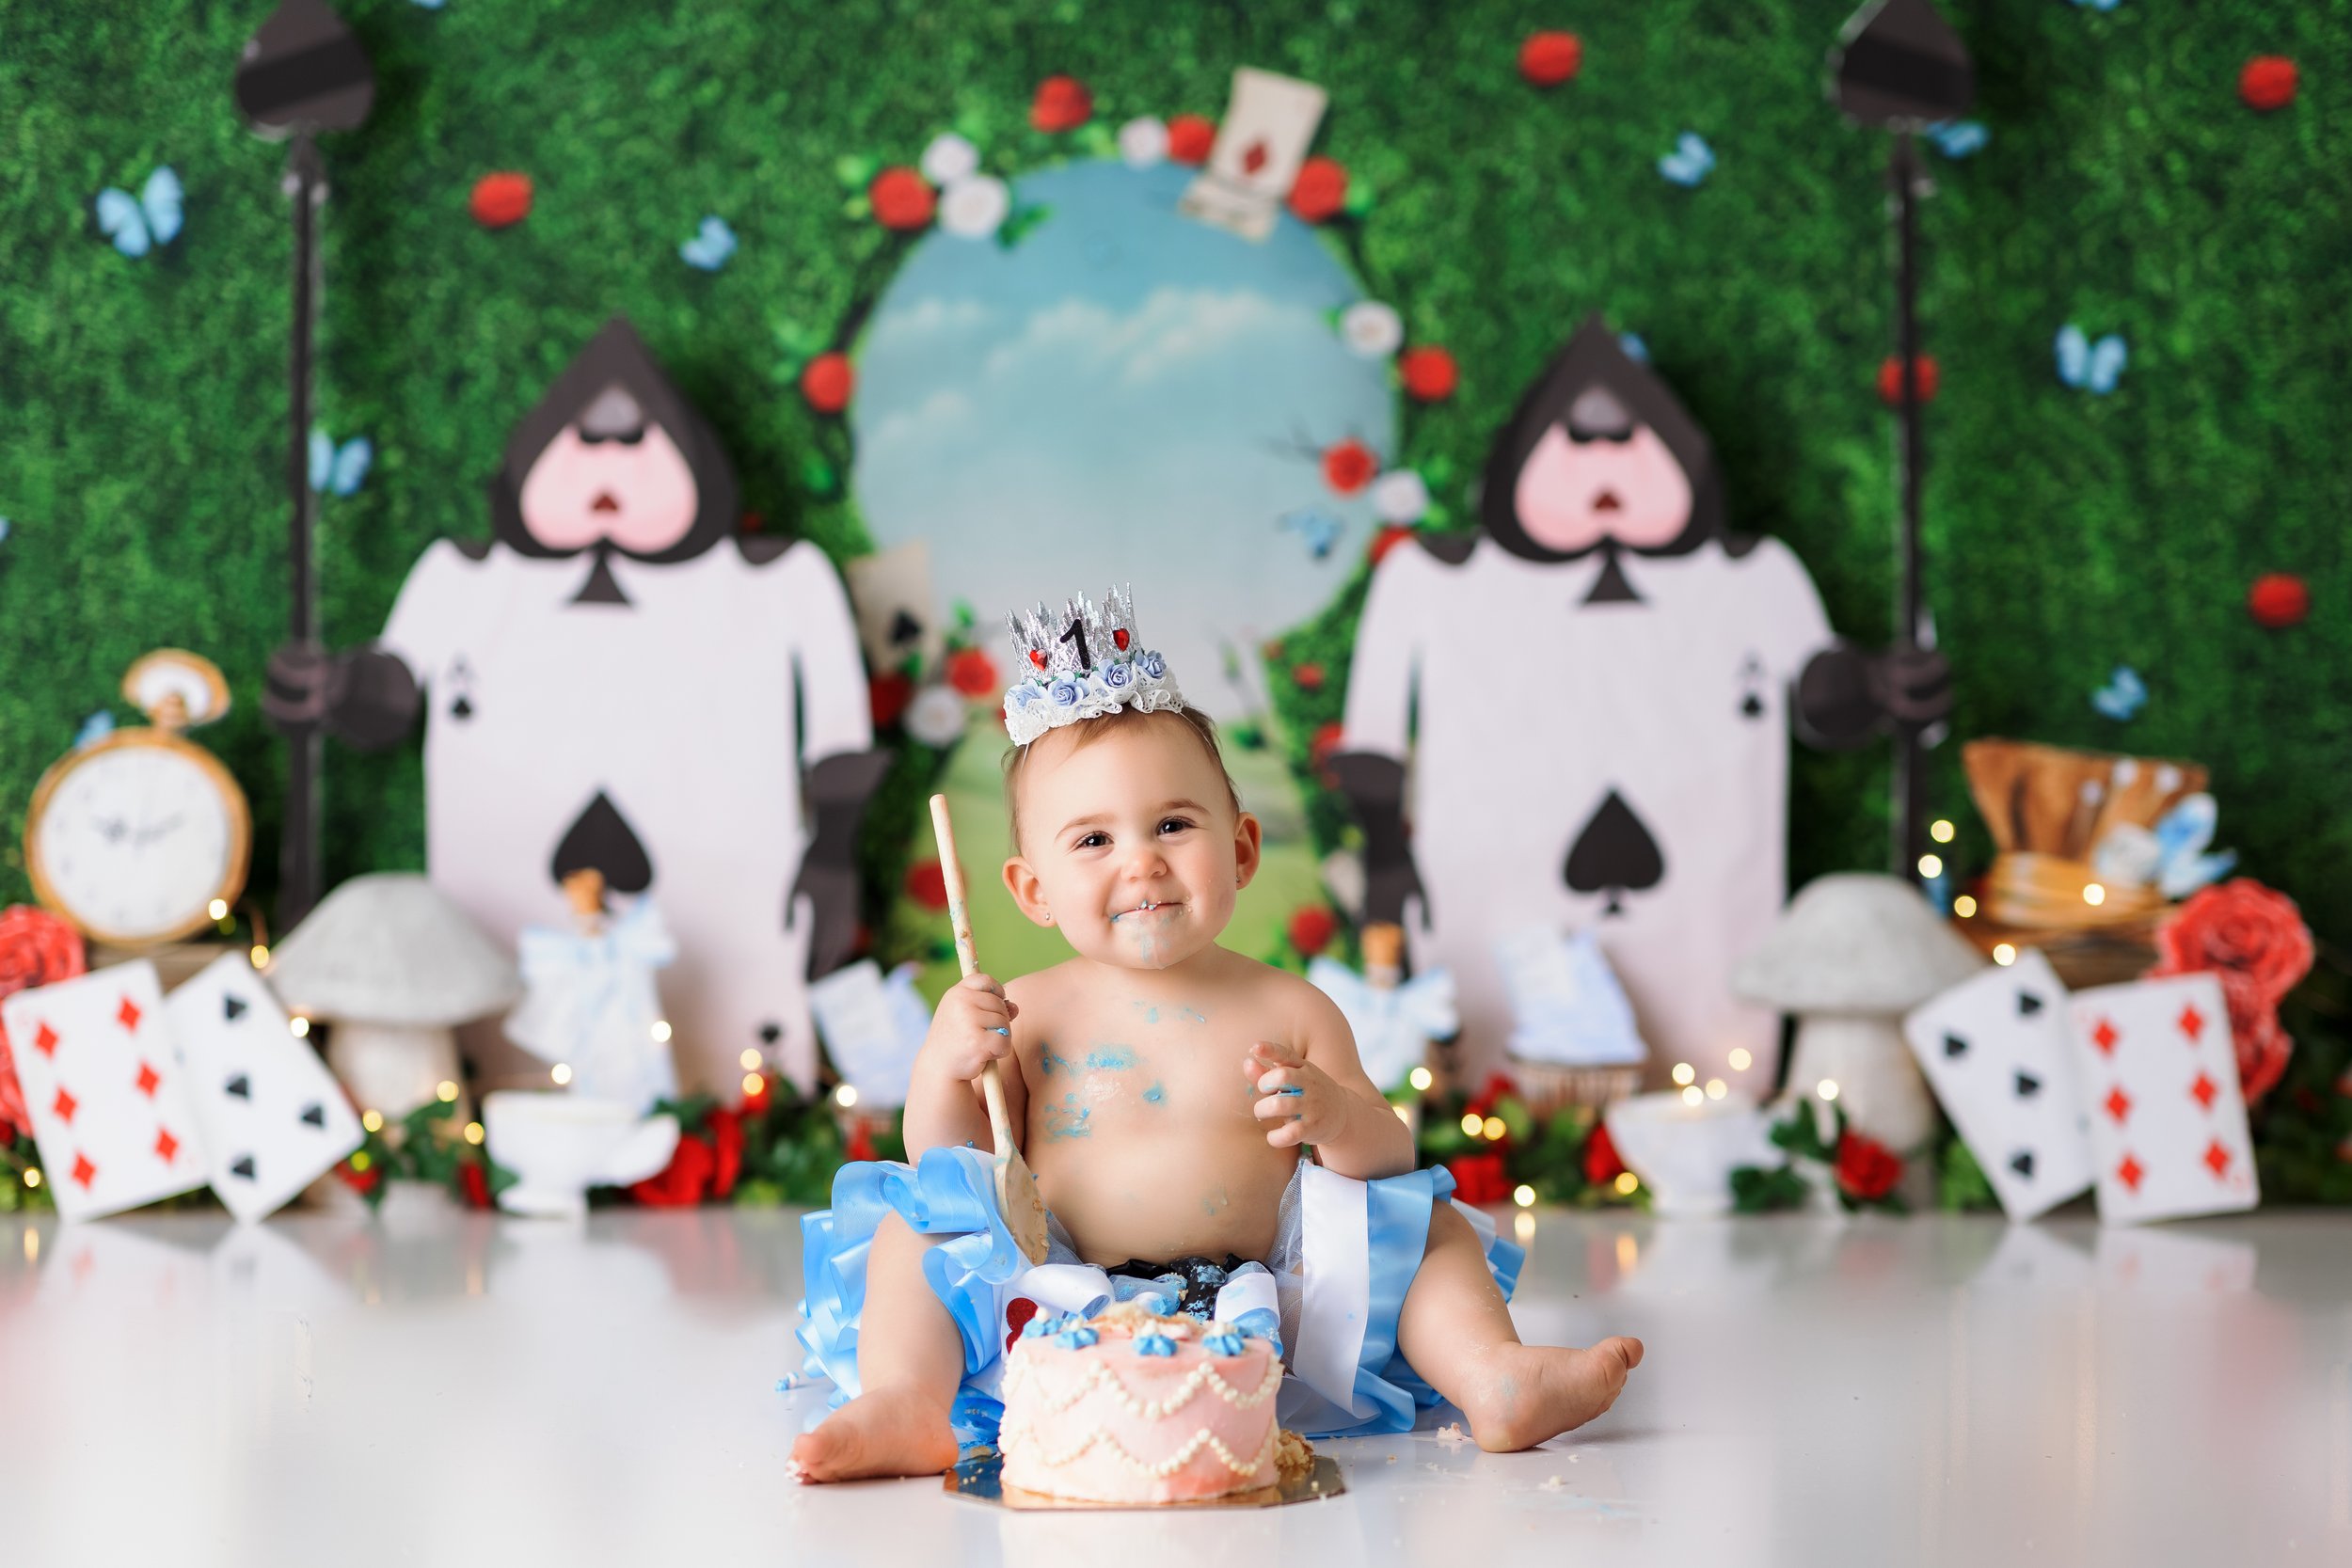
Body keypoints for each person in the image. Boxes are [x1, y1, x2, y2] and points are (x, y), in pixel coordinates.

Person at [790, 589, 1642, 1482]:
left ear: (1239, 850)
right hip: (1057, 1306)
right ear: (1032, 889)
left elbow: (1391, 1156)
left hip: (1265, 1309)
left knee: (1426, 1224)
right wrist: (944, 1065)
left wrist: (1337, 1118)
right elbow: (951, 1165)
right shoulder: (1024, 1012)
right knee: (910, 1228)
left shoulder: (1292, 1008)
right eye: (1091, 840)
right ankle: (908, 1402)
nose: (1141, 860)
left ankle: (1491, 1374)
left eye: (1172, 824)